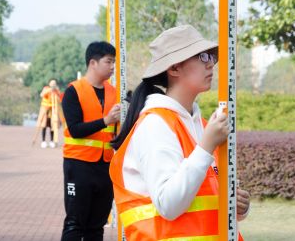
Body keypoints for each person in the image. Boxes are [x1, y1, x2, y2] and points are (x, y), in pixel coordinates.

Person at [109, 25, 250, 240]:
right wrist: (205, 148)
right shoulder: (155, 125)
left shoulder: (203, 126)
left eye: (211, 56)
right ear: (174, 68)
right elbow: (169, 204)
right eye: (202, 57)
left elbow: (203, 198)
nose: (211, 63)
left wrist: (236, 204)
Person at [60, 41, 121, 241]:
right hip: (78, 166)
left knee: (96, 226)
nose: (113, 66)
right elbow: (75, 129)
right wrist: (106, 121)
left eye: (114, 62)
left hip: (105, 167)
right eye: (109, 61)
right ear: (93, 63)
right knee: (75, 224)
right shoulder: (73, 91)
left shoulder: (115, 93)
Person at [37, 80, 61, 148]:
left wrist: (56, 92)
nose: (53, 85)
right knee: (43, 125)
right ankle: (43, 141)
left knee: (52, 126)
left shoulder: (56, 91)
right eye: (52, 84)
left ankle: (51, 141)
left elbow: (60, 99)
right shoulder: (46, 88)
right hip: (45, 109)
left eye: (54, 84)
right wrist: (50, 90)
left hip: (53, 110)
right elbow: (42, 95)